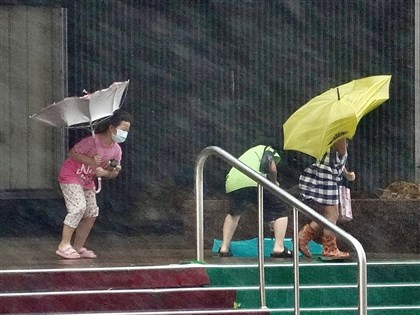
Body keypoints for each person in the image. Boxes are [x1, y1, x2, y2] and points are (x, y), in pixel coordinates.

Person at [55, 110, 132, 259]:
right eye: (123, 129)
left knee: (91, 212)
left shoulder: (116, 150)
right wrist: (90, 160)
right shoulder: (92, 141)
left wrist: (105, 173)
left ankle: (78, 246)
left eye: (127, 131)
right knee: (78, 208)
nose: (124, 133)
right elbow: (72, 153)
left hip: (87, 181)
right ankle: (64, 245)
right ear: (111, 128)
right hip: (71, 176)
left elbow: (113, 172)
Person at [218, 145, 293, 258]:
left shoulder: (248, 155)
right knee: (280, 210)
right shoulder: (267, 149)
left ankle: (224, 247)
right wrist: (273, 182)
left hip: (233, 182)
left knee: (234, 213)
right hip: (253, 180)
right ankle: (279, 247)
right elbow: (271, 167)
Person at [298, 138, 356, 259]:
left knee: (327, 215)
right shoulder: (339, 136)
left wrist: (346, 174)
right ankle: (330, 249)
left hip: (325, 175)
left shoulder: (330, 137)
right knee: (332, 215)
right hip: (326, 177)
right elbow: (341, 153)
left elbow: (337, 161)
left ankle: (303, 237)